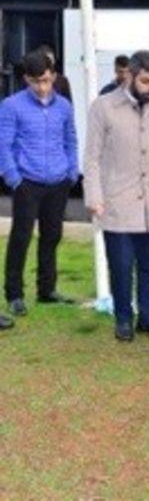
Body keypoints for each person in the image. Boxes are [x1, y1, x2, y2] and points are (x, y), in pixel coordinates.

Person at [83, 50, 149, 342]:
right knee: (122, 267)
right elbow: (91, 157)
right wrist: (94, 196)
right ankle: (123, 318)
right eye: (146, 81)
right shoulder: (103, 107)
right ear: (130, 76)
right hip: (117, 202)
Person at [0, 49, 78, 317]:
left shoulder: (64, 106)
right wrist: (14, 179)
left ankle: (47, 290)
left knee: (52, 236)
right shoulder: (11, 106)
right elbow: (4, 145)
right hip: (27, 182)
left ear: (53, 76)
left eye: (46, 80)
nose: (42, 87)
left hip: (58, 180)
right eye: (36, 82)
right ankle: (14, 294)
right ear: (26, 80)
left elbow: (71, 139)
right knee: (21, 237)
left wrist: (72, 171)